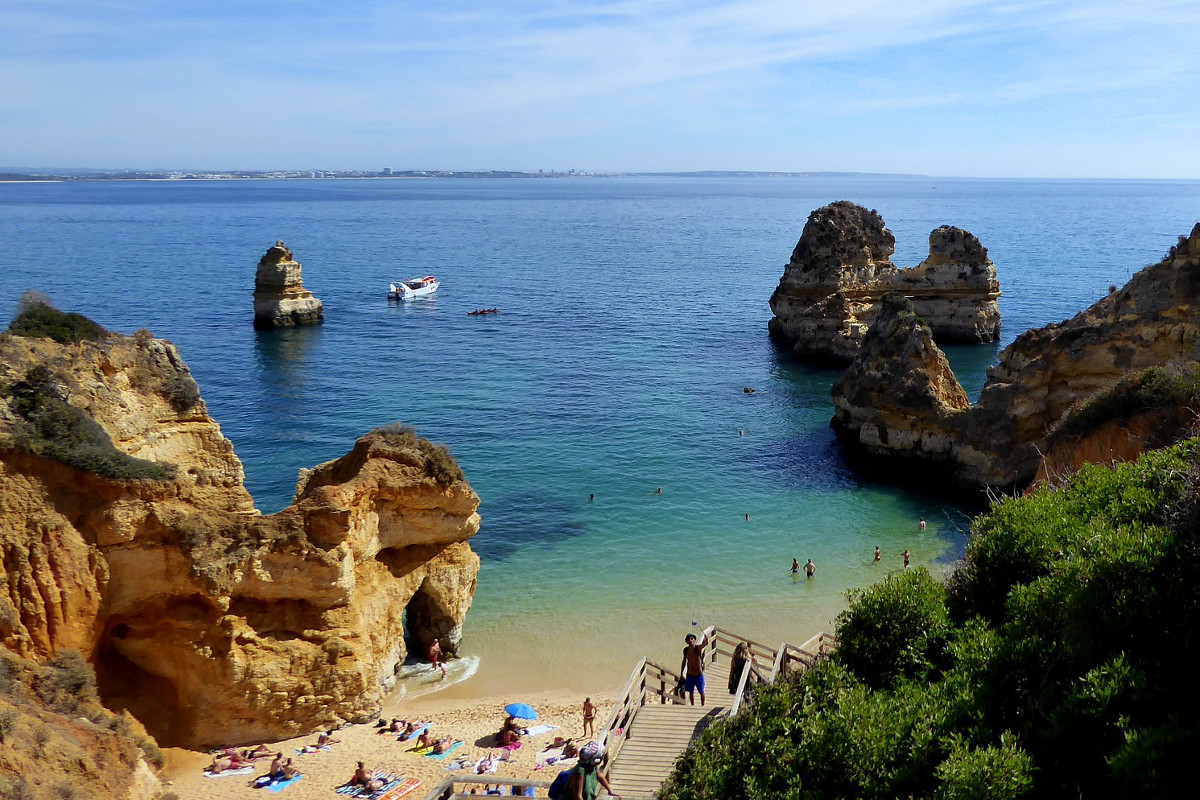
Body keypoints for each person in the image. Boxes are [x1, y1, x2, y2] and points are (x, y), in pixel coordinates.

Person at [680, 630, 710, 706]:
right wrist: (681, 674)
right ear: (686, 641)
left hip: (699, 675)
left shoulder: (698, 648)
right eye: (688, 639)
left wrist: (706, 638)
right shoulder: (686, 650)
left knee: (701, 692)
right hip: (690, 675)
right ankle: (693, 705)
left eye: (692, 638)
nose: (690, 640)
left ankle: (703, 706)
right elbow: (684, 662)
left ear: (695, 640)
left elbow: (705, 644)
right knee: (690, 692)